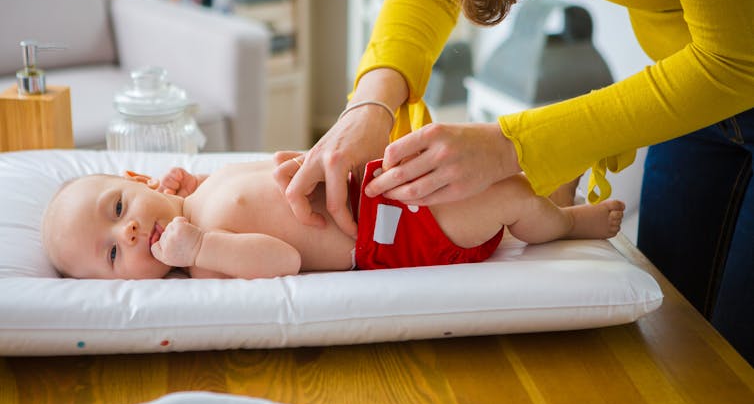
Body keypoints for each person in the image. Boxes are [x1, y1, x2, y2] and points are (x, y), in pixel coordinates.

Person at [274, 0, 754, 364]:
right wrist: (370, 104)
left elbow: (735, 60)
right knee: (675, 341)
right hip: (694, 98)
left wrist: (511, 147)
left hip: (723, 73)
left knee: (734, 364)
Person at [40, 158, 624, 280]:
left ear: (140, 181)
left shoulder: (202, 189)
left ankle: (554, 193)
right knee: (510, 200)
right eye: (113, 253)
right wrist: (202, 249)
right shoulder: (204, 266)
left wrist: (192, 187)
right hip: (392, 234)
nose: (130, 232)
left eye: (118, 210)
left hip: (374, 183)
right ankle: (569, 222)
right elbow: (284, 259)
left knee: (494, 170)